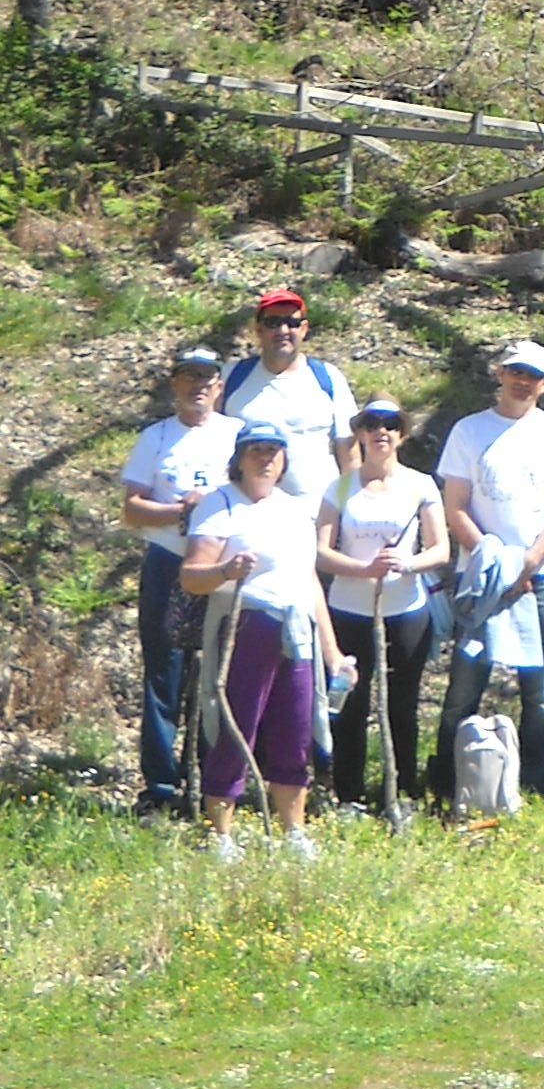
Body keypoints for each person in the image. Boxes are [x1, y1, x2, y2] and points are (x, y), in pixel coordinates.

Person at [181, 420, 350, 861]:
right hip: (244, 625)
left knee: (294, 727)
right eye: (256, 450)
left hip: (296, 629)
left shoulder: (294, 509)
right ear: (239, 457)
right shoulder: (219, 507)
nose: (266, 458)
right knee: (238, 726)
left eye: (274, 450)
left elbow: (308, 578)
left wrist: (330, 650)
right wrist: (225, 571)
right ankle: (220, 833)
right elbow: (191, 577)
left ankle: (294, 830)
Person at [438, 339, 544, 798]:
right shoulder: (468, 430)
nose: (522, 383)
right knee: (466, 684)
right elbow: (455, 506)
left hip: (542, 576)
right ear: (500, 373)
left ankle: (535, 778)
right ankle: (449, 778)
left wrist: (529, 559)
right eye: (515, 372)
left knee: (540, 690)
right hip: (482, 574)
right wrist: (495, 560)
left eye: (533, 376)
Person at [118, 344, 239, 817]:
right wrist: (179, 510)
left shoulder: (238, 435)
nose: (199, 387)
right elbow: (131, 509)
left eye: (207, 378)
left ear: (220, 386)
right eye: (189, 377)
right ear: (175, 384)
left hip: (221, 569)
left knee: (218, 675)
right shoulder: (156, 437)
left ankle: (215, 780)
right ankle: (161, 787)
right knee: (164, 673)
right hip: (168, 561)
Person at [316, 397, 448, 818]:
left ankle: (401, 792)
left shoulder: (421, 485)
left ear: (402, 434)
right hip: (348, 612)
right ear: (359, 433)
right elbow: (320, 552)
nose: (381, 432)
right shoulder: (339, 487)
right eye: (372, 424)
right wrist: (362, 568)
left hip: (406, 612)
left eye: (391, 424)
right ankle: (348, 794)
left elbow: (441, 549)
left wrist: (407, 563)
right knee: (351, 706)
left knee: (402, 707)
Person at [219, 290, 355, 509]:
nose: (283, 330)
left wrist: (347, 513)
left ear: (303, 329)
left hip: (316, 518)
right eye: (273, 322)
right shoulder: (230, 377)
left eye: (291, 322)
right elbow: (208, 441)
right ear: (258, 329)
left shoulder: (328, 378)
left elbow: (349, 455)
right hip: (243, 517)